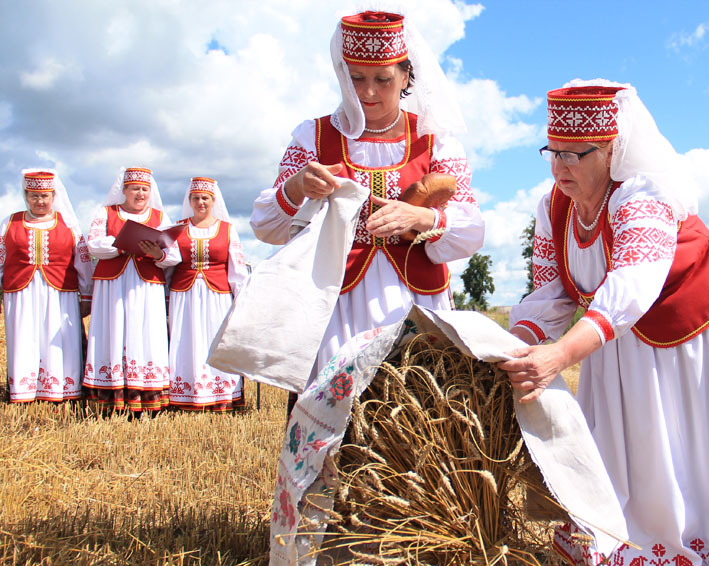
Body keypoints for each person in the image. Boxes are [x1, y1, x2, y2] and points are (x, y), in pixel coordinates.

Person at [499, 83, 709, 566]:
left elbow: (632, 283)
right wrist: (516, 344)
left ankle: (707, 560)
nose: (561, 165)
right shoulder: (552, 207)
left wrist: (560, 354)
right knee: (625, 449)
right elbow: (553, 291)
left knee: (688, 446)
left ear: (613, 149)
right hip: (615, 334)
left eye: (576, 153)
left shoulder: (643, 196)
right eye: (552, 151)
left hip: (688, 331)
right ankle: (637, 559)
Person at [249, 10, 484, 387]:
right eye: (356, 78)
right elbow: (265, 227)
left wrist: (420, 218)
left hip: (416, 300)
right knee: (341, 415)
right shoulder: (314, 137)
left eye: (383, 79)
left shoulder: (433, 138)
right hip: (337, 301)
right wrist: (295, 188)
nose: (368, 92)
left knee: (416, 410)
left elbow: (471, 230)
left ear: (407, 76)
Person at [85, 166, 178, 414]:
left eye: (145, 189)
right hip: (113, 284)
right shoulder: (107, 213)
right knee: (112, 329)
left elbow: (174, 252)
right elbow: (93, 243)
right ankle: (111, 394)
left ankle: (146, 395)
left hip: (146, 285)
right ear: (123, 190)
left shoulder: (160, 216)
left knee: (146, 331)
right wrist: (122, 245)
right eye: (135, 188)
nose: (140, 194)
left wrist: (159, 253)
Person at [0, 170, 92, 403]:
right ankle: (24, 390)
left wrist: (87, 295)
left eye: (44, 196)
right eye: (34, 196)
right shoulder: (10, 222)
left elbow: (82, 262)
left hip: (60, 294)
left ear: (53, 196)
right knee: (23, 338)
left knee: (59, 341)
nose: (40, 201)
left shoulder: (68, 225)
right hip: (21, 293)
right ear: (26, 196)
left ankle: (61, 389)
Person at [168, 177, 249, 411]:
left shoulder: (227, 230)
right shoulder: (178, 227)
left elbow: (237, 268)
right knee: (186, 341)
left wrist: (241, 298)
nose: (200, 202)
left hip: (217, 295)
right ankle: (187, 395)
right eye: (195, 198)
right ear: (189, 200)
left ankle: (220, 394)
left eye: (205, 198)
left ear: (213, 200)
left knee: (215, 340)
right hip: (184, 295)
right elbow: (169, 262)